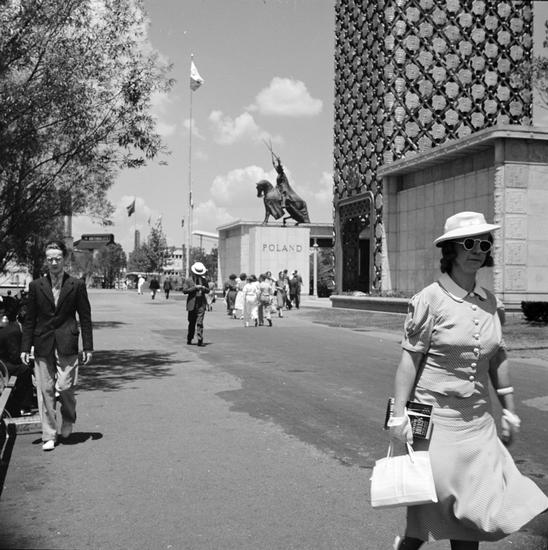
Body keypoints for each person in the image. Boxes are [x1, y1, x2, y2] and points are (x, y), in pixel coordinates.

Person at [389, 212, 548, 550]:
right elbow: (409, 361)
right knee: (435, 504)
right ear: (451, 250)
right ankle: (407, 544)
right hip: (435, 421)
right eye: (469, 243)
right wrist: (399, 414)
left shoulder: (490, 303)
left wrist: (510, 410)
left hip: (478, 424)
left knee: (473, 514)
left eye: (484, 244)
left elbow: (497, 358)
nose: (478, 250)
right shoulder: (429, 299)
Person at [20, 240, 93, 451]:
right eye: (50, 259)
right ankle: (49, 434)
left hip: (67, 341)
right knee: (45, 390)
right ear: (46, 260)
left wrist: (88, 346)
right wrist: (25, 347)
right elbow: (30, 319)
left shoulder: (76, 285)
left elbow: (85, 317)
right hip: (42, 341)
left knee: (65, 386)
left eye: (57, 259)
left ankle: (68, 417)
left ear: (64, 260)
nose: (53, 262)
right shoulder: (36, 286)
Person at [0, 302, 35, 417]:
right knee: (25, 370)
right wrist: (29, 359)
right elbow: (15, 357)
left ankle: (24, 402)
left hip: (5, 361)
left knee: (25, 368)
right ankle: (25, 405)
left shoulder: (14, 328)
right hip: (3, 365)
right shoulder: (14, 332)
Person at [182, 262, 210, 346]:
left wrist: (204, 288)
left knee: (200, 322)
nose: (198, 275)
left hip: (201, 303)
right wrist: (195, 288)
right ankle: (190, 338)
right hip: (192, 304)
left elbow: (208, 290)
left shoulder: (204, 280)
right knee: (191, 322)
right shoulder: (188, 280)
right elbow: (185, 291)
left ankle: (200, 338)